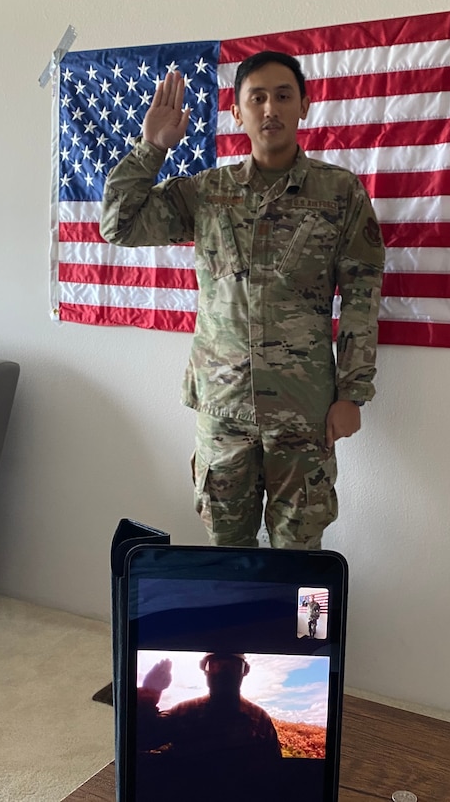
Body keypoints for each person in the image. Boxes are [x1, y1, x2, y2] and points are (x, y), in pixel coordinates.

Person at [100, 51, 385, 550]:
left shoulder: (339, 193)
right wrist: (151, 148)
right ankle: (238, 608)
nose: (270, 108)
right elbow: (118, 225)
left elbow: (362, 293)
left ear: (304, 105)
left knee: (299, 556)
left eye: (283, 95)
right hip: (222, 408)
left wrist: (352, 392)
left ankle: (298, 610)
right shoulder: (210, 193)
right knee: (228, 552)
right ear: (237, 112)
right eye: (257, 98)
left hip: (303, 411)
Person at [135, 654, 282, 800]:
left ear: (245, 671)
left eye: (232, 666)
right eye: (216, 665)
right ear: (205, 670)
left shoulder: (259, 718)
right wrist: (150, 695)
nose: (224, 672)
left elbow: (273, 773)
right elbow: (144, 738)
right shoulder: (185, 711)